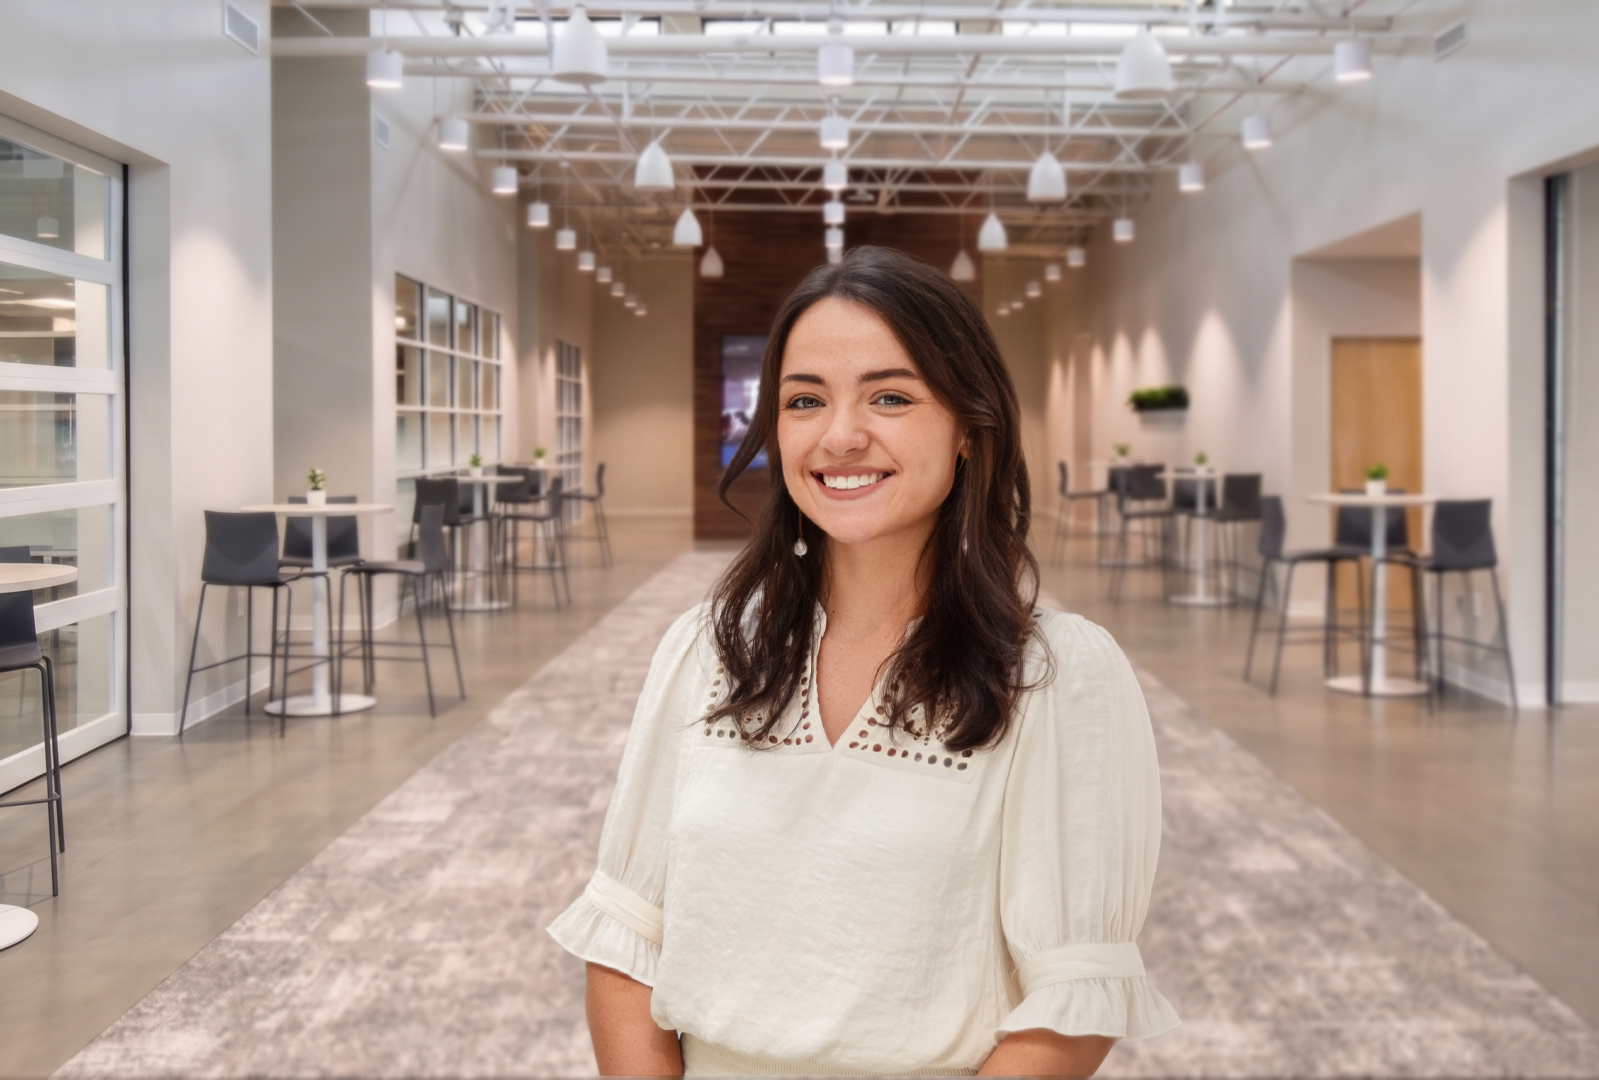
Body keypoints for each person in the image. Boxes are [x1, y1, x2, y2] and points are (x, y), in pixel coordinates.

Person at [548, 246, 1178, 1075]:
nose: (841, 436)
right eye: (804, 400)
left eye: (889, 396)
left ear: (966, 428)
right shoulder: (706, 647)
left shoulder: (1057, 675)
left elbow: (1068, 1006)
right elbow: (627, 940)